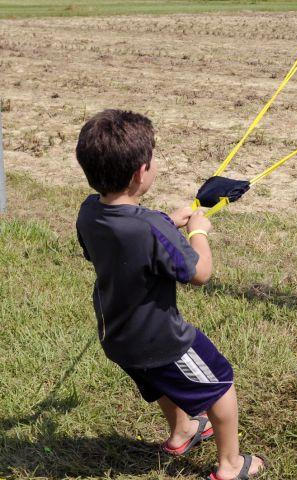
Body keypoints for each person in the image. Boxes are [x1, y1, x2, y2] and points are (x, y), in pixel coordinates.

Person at [75, 109, 266, 480]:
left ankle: (184, 431)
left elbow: (127, 234)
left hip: (115, 335)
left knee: (158, 381)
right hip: (163, 340)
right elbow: (199, 272)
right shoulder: (150, 227)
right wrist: (198, 231)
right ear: (140, 173)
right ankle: (230, 465)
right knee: (220, 384)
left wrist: (165, 221)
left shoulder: (88, 213)